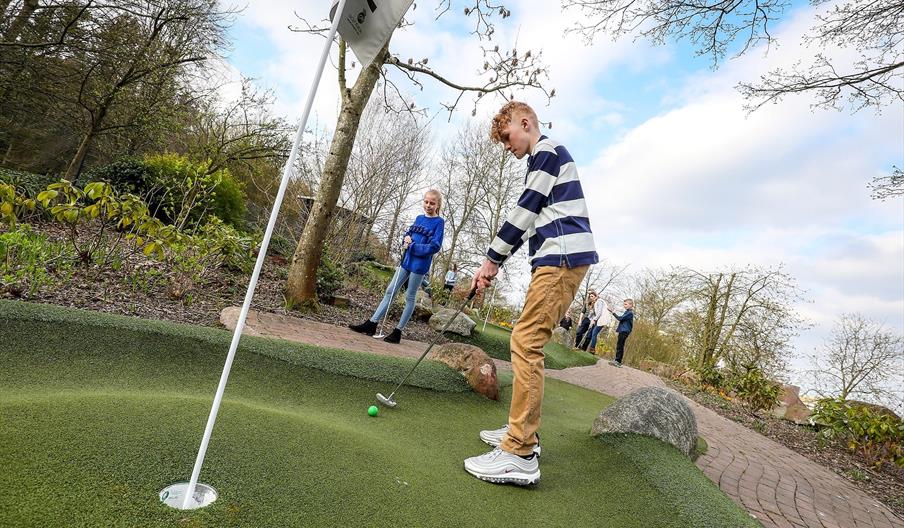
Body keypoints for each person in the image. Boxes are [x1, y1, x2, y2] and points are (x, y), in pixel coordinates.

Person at [464, 101, 598, 486]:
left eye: (507, 136)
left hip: (562, 259)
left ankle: (519, 451)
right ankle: (523, 434)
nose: (506, 145)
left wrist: (491, 259)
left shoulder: (547, 152)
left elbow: (524, 210)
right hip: (555, 258)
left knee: (526, 341)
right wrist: (496, 265)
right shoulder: (541, 161)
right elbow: (527, 225)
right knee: (527, 339)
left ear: (526, 123)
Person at [349, 190, 445, 343]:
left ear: (438, 205)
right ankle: (372, 324)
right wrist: (406, 238)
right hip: (406, 260)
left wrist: (413, 246)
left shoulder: (439, 222)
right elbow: (410, 234)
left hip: (419, 264)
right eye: (426, 202)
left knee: (410, 296)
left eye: (432, 203)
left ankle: (397, 332)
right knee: (390, 290)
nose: (428, 205)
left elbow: (435, 246)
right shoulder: (419, 218)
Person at [607, 298, 635, 367]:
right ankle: (617, 360)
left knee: (620, 346)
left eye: (626, 304)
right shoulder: (627, 312)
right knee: (619, 345)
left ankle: (618, 361)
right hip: (622, 330)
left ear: (630, 305)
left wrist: (613, 312)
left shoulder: (630, 313)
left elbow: (620, 319)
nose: (624, 306)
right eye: (624, 304)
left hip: (624, 331)